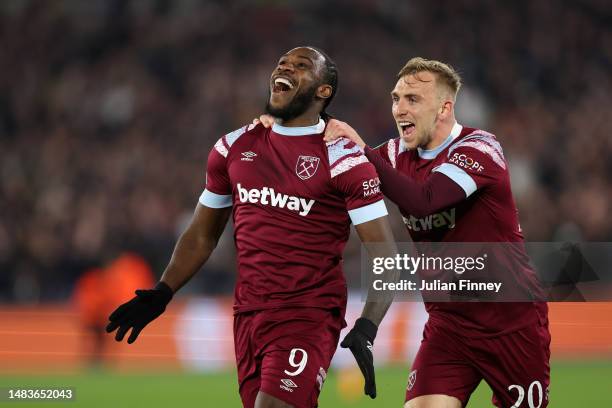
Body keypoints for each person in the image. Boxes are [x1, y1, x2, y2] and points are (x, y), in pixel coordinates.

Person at [105, 46, 399, 408]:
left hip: (308, 315)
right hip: (248, 316)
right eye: (282, 63)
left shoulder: (344, 159)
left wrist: (368, 325)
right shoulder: (233, 147)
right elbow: (202, 234)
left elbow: (386, 254)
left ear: (323, 91)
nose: (286, 68)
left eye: (301, 66)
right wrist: (162, 292)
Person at [257, 57, 550, 407]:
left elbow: (426, 201)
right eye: (396, 98)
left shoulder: (480, 148)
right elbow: (323, 168)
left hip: (512, 323)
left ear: (444, 108)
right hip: (449, 326)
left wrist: (363, 152)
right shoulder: (393, 155)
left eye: (413, 100)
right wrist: (280, 132)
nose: (399, 108)